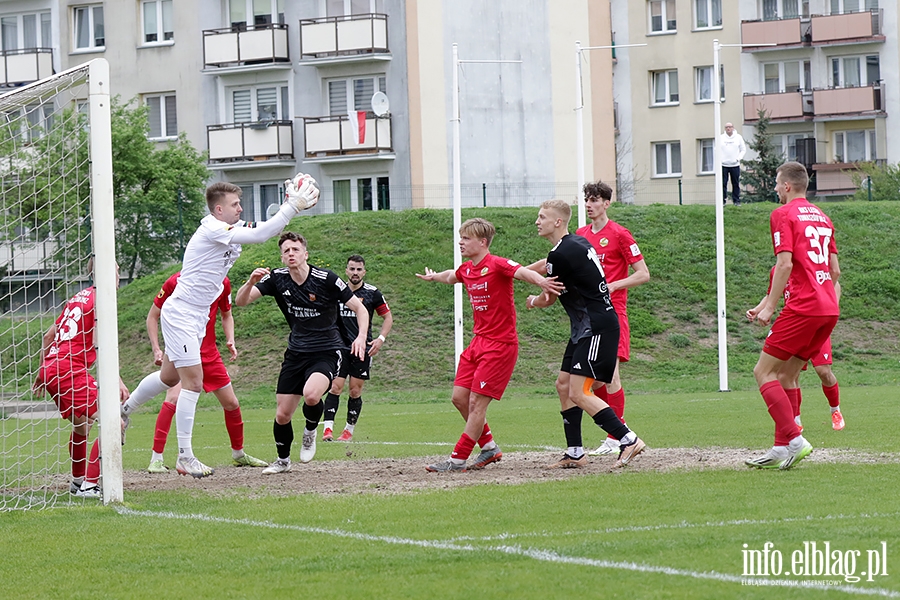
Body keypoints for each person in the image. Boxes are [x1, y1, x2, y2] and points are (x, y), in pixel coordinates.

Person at [120, 175, 319, 478]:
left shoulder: (228, 227)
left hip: (196, 316)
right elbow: (260, 236)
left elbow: (264, 229)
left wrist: (288, 206)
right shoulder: (212, 228)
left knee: (168, 376)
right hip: (183, 313)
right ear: (218, 210)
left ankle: (124, 411)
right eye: (235, 204)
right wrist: (291, 206)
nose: (240, 209)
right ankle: (185, 456)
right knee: (193, 383)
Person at [416, 218, 563, 472]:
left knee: (476, 403)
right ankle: (489, 448)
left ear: (482, 242)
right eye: (461, 237)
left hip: (500, 346)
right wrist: (434, 277)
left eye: (466, 238)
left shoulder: (496, 264)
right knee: (459, 398)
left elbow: (520, 271)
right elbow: (452, 276)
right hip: (477, 343)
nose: (460, 242)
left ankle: (457, 460)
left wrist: (542, 282)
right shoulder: (467, 269)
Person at [235, 232, 369, 474]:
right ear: (282, 257)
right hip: (296, 352)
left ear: (305, 254)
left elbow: (360, 309)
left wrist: (360, 337)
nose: (290, 254)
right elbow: (241, 301)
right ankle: (283, 461)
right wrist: (250, 282)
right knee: (283, 414)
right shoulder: (277, 278)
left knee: (311, 395)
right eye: (286, 251)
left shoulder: (326, 279)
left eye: (295, 250)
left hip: (327, 350)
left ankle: (310, 431)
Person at [527, 200, 646, 469]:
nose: (537, 221)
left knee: (580, 392)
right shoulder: (577, 244)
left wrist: (533, 300)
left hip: (595, 327)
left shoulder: (562, 254)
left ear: (558, 221)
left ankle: (628, 439)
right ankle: (576, 452)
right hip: (586, 326)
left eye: (542, 217)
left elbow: (548, 297)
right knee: (563, 385)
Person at [745, 161, 840, 470]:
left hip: (804, 307)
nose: (774, 188)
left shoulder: (782, 214)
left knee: (763, 372)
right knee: (786, 375)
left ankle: (795, 440)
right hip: (828, 307)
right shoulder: (823, 217)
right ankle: (780, 446)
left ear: (786, 186)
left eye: (776, 183)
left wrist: (771, 307)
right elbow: (834, 270)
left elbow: (784, 264)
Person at [144, 272, 268, 473]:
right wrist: (156, 348)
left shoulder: (222, 282)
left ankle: (239, 454)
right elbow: (153, 316)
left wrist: (231, 339)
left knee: (231, 403)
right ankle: (156, 458)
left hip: (208, 352)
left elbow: (226, 314)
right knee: (173, 397)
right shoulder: (176, 281)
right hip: (182, 348)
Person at [32, 258, 130, 498]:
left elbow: (48, 337)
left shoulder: (77, 298)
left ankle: (77, 481)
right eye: (116, 271)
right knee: (115, 422)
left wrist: (40, 374)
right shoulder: (102, 301)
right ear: (106, 273)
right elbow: (99, 344)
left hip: (52, 367)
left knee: (82, 424)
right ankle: (89, 483)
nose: (118, 276)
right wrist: (116, 379)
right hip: (69, 370)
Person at [573, 182, 650, 457]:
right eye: (586, 200)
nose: (589, 204)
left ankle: (616, 437)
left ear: (607, 203)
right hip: (586, 316)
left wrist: (615, 285)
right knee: (592, 381)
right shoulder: (580, 235)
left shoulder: (619, 234)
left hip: (612, 312)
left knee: (610, 376)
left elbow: (643, 273)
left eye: (595, 200)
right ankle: (619, 431)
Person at [747, 268, 845, 433]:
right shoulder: (778, 269)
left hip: (815, 322)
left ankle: (835, 410)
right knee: (789, 374)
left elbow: (834, 281)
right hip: (796, 325)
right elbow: (771, 294)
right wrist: (758, 309)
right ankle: (796, 422)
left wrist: (829, 307)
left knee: (823, 372)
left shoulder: (808, 264)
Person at [322, 255, 394, 443]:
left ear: (364, 272)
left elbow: (388, 317)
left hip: (362, 348)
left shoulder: (372, 293)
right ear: (346, 270)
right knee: (335, 387)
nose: (355, 273)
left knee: (355, 391)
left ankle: (348, 431)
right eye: (352, 269)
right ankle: (327, 429)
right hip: (337, 347)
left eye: (358, 269)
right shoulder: (337, 290)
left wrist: (380, 339)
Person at [721, 122, 746, 205]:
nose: (728, 129)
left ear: (733, 128)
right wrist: (720, 159)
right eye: (727, 127)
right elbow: (716, 149)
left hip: (735, 165)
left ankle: (736, 201)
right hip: (723, 165)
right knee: (723, 183)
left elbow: (743, 149)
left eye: (730, 127)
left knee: (735, 183)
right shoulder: (721, 138)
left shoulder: (738, 138)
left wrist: (738, 158)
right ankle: (722, 201)